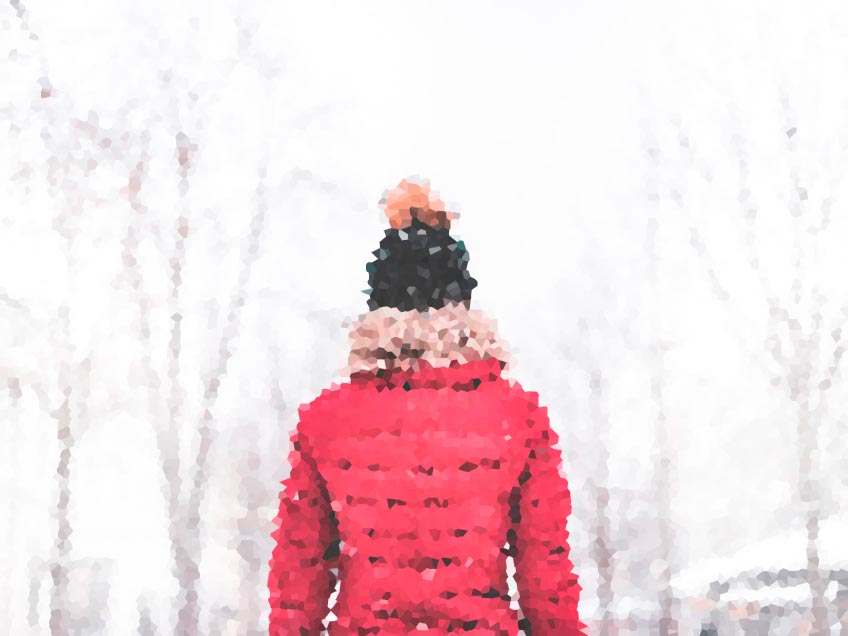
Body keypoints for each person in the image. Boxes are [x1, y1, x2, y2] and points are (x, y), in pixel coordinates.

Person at [268, 178, 584, 635]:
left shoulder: (326, 422)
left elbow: (298, 578)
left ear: (376, 309)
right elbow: (546, 573)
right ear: (464, 305)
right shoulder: (517, 417)